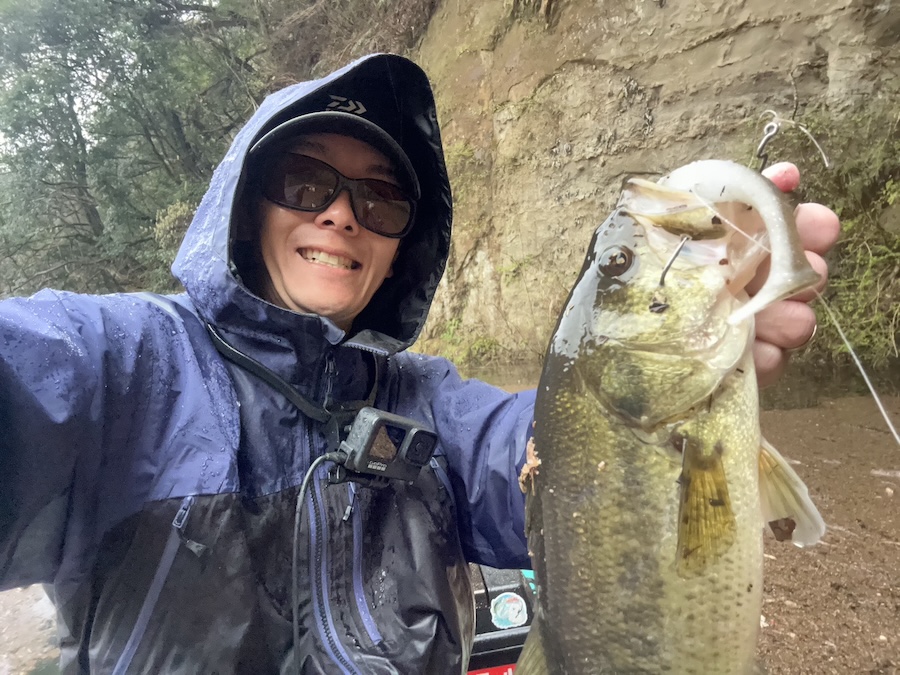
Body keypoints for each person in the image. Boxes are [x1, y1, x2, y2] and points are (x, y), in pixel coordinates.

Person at [0, 53, 838, 674]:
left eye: (381, 196)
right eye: (305, 182)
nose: (341, 214)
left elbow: (548, 444)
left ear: (404, 243)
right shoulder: (120, 360)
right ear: (249, 202)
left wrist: (680, 374)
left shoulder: (428, 401)